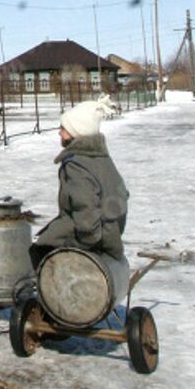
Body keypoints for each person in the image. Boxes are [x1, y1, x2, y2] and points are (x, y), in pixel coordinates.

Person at [31, 94, 129, 270]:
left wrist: (75, 247)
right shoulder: (100, 158)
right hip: (111, 235)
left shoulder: (77, 166)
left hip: (92, 239)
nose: (59, 132)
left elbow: (86, 214)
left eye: (63, 128)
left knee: (35, 254)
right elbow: (121, 197)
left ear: (76, 132)